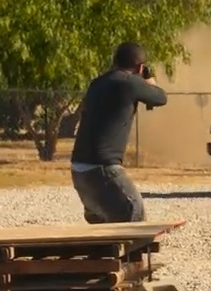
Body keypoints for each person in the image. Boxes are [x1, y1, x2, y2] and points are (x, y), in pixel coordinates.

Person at [70, 42, 168, 224]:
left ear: (114, 62)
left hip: (78, 169)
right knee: (134, 215)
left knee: (104, 228)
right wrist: (150, 83)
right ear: (140, 67)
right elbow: (160, 98)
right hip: (103, 169)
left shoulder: (97, 83)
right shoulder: (130, 83)